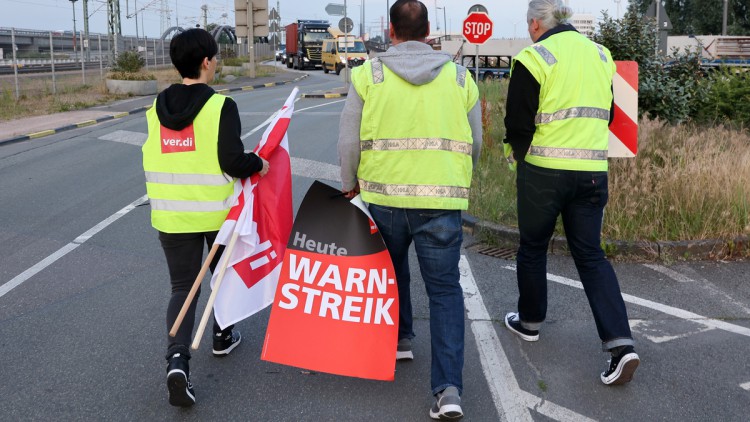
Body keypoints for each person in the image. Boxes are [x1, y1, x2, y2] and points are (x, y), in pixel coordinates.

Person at [338, 1, 482, 419]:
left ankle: (400, 339)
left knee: (389, 270)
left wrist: (349, 186)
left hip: (383, 198)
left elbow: (349, 141)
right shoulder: (460, 77)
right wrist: (458, 179)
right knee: (444, 291)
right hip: (440, 201)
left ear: (392, 31)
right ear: (429, 30)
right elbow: (475, 142)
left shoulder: (368, 74)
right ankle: (448, 390)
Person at [502, 0, 640, 386]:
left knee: (532, 247)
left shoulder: (534, 56)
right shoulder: (601, 54)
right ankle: (621, 346)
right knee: (591, 255)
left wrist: (519, 156)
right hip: (592, 174)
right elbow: (609, 114)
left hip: (544, 173)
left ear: (535, 24)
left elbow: (517, 121)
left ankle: (529, 322)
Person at [141, 28, 269, 407]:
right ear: (207, 62)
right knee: (223, 279)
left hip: (172, 217)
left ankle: (177, 362)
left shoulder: (154, 108)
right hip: (218, 216)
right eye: (214, 57)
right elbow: (231, 160)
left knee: (183, 288)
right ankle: (222, 337)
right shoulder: (219, 106)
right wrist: (258, 163)